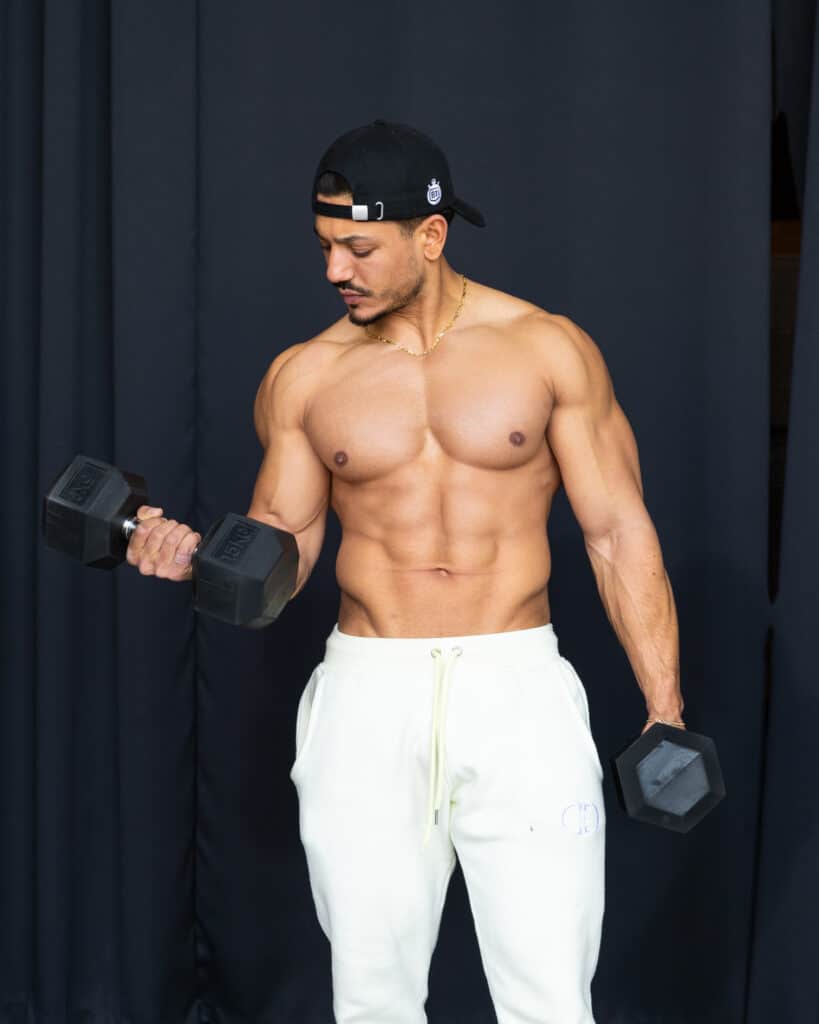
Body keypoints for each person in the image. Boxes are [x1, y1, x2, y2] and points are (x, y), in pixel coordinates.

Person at [125, 119, 686, 1023]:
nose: (333, 271)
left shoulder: (546, 350)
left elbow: (618, 533)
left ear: (429, 235)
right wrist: (194, 561)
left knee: (549, 997)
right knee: (371, 999)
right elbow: (282, 551)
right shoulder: (306, 376)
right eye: (324, 247)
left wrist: (664, 709)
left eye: (357, 249)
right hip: (367, 694)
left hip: (516, 691)